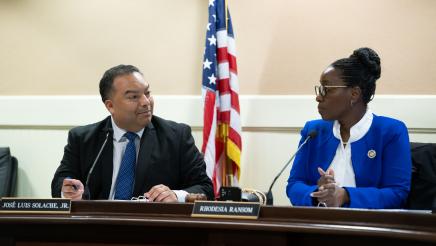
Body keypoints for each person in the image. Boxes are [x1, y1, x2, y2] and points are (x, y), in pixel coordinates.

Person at [51, 64, 213, 202]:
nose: (145, 102)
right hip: (97, 228)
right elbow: (60, 182)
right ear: (110, 106)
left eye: (147, 93)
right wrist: (69, 191)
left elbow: (205, 189)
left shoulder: (177, 136)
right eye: (134, 97)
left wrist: (176, 196)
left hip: (154, 231)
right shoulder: (83, 138)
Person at [286, 48, 411, 209]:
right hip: (318, 227)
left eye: (327, 89)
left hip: (367, 229)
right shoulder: (313, 131)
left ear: (354, 94)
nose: (318, 97)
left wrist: (344, 196)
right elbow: (294, 185)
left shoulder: (390, 131)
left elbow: (397, 194)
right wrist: (318, 192)